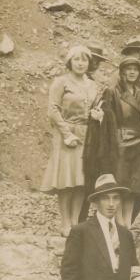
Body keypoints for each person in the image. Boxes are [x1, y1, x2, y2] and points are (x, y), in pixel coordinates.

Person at [81, 55, 140, 227]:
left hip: (138, 144)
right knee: (121, 184)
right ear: (122, 72)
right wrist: (102, 119)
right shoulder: (112, 92)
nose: (132, 73)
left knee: (133, 187)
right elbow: (107, 116)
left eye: (135, 70)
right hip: (120, 143)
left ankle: (128, 223)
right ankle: (119, 224)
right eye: (128, 69)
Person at [41, 45, 100, 236]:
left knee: (81, 180)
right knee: (66, 180)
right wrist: (67, 134)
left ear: (89, 63)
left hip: (86, 134)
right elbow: (53, 110)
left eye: (84, 60)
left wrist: (97, 114)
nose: (81, 63)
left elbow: (94, 107)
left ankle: (75, 222)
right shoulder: (61, 82)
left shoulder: (92, 84)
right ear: (70, 62)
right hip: (66, 133)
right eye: (77, 59)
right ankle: (65, 222)